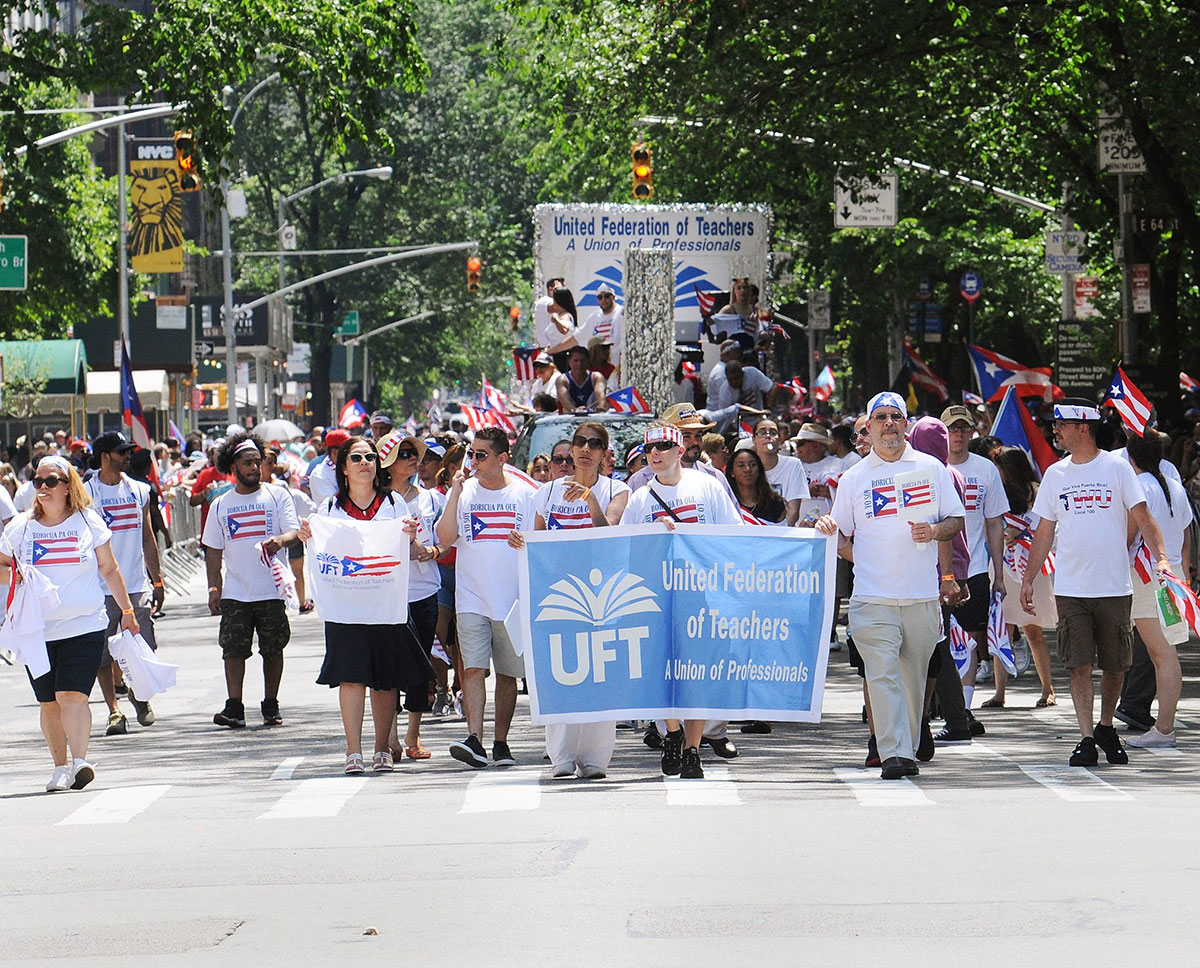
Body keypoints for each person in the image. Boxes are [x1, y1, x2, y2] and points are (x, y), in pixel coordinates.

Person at [816, 392, 965, 780]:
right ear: (868, 427)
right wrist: (827, 529)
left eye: (895, 417)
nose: (888, 424)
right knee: (881, 674)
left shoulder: (931, 468)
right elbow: (842, 533)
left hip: (920, 596)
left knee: (913, 680)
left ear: (906, 424)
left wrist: (933, 530)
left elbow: (955, 520)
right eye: (880, 418)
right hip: (872, 597)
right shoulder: (853, 479)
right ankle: (894, 754)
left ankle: (907, 744)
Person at [1020, 399, 1172, 767]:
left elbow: (1144, 517)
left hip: (1115, 586)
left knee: (1117, 665)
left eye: (1061, 424)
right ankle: (1087, 737)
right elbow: (1043, 533)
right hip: (1071, 587)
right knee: (1078, 665)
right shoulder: (1055, 475)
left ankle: (1107, 725)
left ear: (1083, 427)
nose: (1054, 430)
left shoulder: (1117, 468)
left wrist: (1162, 557)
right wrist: (1028, 579)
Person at [0, 455, 140, 792]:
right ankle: (59, 767)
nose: (43, 488)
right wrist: (17, 576)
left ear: (67, 486)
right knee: (49, 701)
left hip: (85, 624)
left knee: (72, 694)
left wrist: (127, 611)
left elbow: (109, 568)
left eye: (51, 481)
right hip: (37, 629)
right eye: (38, 482)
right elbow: (2, 567)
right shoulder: (21, 527)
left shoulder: (88, 522)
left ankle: (80, 762)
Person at [298, 436, 428, 774]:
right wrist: (306, 535)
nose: (364, 463)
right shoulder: (329, 509)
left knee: (385, 679)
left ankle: (382, 747)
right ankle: (352, 751)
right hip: (346, 605)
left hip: (386, 602)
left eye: (370, 457)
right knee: (352, 677)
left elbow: (411, 544)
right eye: (356, 458)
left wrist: (411, 535)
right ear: (343, 467)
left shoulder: (394, 503)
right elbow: (321, 547)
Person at [621, 423, 743, 779]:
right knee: (660, 672)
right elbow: (628, 552)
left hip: (701, 595)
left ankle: (692, 749)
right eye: (649, 449)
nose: (655, 454)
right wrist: (651, 535)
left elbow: (732, 536)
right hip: (657, 597)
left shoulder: (707, 486)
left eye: (662, 446)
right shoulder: (640, 498)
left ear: (679, 450)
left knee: (697, 672)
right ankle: (671, 731)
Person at [514, 422, 630, 779]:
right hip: (557, 596)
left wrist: (592, 501)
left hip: (602, 598)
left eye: (595, 444)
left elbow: (608, 534)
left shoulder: (618, 490)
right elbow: (533, 539)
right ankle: (561, 755)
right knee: (561, 674)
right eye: (580, 442)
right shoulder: (545, 493)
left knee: (599, 676)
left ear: (605, 455)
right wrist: (520, 542)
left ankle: (596, 758)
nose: (585, 449)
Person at [436, 427, 537, 768]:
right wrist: (453, 494)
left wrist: (526, 543)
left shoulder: (524, 495)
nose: (474, 461)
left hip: (511, 600)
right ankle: (474, 738)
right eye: (472, 454)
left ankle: (501, 742)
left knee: (508, 674)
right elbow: (445, 538)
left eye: (481, 455)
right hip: (471, 598)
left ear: (502, 458)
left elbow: (539, 542)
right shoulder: (464, 495)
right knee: (474, 670)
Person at [203, 434, 300, 729]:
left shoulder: (277, 495)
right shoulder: (221, 504)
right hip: (236, 591)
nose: (254, 467)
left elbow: (293, 530)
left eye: (257, 462)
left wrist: (280, 540)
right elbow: (213, 549)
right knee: (233, 649)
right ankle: (235, 706)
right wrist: (214, 587)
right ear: (233, 466)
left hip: (270, 588)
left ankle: (271, 704)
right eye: (247, 462)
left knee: (273, 648)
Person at [83, 432, 165, 736]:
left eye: (128, 450)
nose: (128, 456)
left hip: (135, 582)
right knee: (102, 653)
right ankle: (114, 711)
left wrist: (157, 579)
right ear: (105, 457)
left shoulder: (140, 490)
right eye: (121, 452)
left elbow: (147, 536)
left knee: (145, 646)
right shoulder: (85, 494)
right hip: (99, 586)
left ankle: (138, 693)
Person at [378, 431, 444, 760]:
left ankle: (412, 736)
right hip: (387, 593)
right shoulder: (378, 500)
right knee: (388, 668)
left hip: (424, 590)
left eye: (414, 454)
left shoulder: (430, 498)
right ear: (388, 464)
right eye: (405, 455)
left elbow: (447, 536)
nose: (413, 459)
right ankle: (388, 736)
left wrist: (431, 550)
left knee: (420, 666)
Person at [1123, 431, 1191, 748]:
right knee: (1166, 655)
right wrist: (1186, 574)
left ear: (1131, 456)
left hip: (1149, 575)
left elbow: (1128, 536)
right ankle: (1163, 727)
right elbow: (1187, 534)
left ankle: (1164, 729)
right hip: (1173, 573)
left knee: (1162, 656)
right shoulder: (1175, 486)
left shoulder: (1140, 487)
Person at [941, 404, 1009, 717]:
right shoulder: (930, 466)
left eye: (963, 428)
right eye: (952, 428)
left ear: (972, 432)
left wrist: (1000, 574)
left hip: (975, 569)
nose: (958, 434)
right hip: (934, 571)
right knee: (936, 642)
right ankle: (937, 704)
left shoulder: (986, 469)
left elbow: (995, 523)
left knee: (967, 641)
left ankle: (962, 709)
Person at [986, 447, 1057, 708]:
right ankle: (999, 693)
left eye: (1000, 467)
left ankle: (1047, 689)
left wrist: (1019, 532)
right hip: (1003, 565)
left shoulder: (1036, 491)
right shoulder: (995, 492)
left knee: (1033, 630)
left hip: (1031, 566)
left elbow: (1043, 525)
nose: (997, 473)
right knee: (1002, 627)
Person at [274, 456, 317, 613]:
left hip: (278, 535)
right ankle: (301, 601)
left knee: (276, 570)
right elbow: (313, 510)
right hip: (294, 536)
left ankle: (282, 601)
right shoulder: (296, 495)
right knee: (297, 572)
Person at [751, 416, 810, 526]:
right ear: (754, 439)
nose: (768, 436)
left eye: (773, 433)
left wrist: (778, 536)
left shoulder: (793, 465)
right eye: (762, 433)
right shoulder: (747, 467)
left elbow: (793, 511)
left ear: (779, 439)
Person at [726, 440, 787, 526]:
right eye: (741, 465)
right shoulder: (727, 503)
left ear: (759, 470)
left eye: (752, 465)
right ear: (732, 472)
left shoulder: (775, 504)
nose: (747, 469)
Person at [794, 423, 843, 525]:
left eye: (801, 443)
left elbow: (850, 495)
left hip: (831, 527)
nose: (797, 447)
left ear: (816, 446)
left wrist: (831, 492)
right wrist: (806, 491)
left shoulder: (839, 465)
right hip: (800, 529)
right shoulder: (794, 466)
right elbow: (784, 495)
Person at [555, 345, 608, 412]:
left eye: (583, 360)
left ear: (588, 361)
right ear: (569, 362)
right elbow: (565, 401)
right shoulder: (562, 379)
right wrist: (575, 410)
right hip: (570, 419)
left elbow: (601, 394)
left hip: (593, 419)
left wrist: (601, 406)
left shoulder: (596, 377)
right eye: (576, 361)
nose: (579, 364)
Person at [533, 277, 568, 350]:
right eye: (561, 289)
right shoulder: (544, 301)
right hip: (548, 348)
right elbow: (554, 308)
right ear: (551, 289)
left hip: (561, 347)